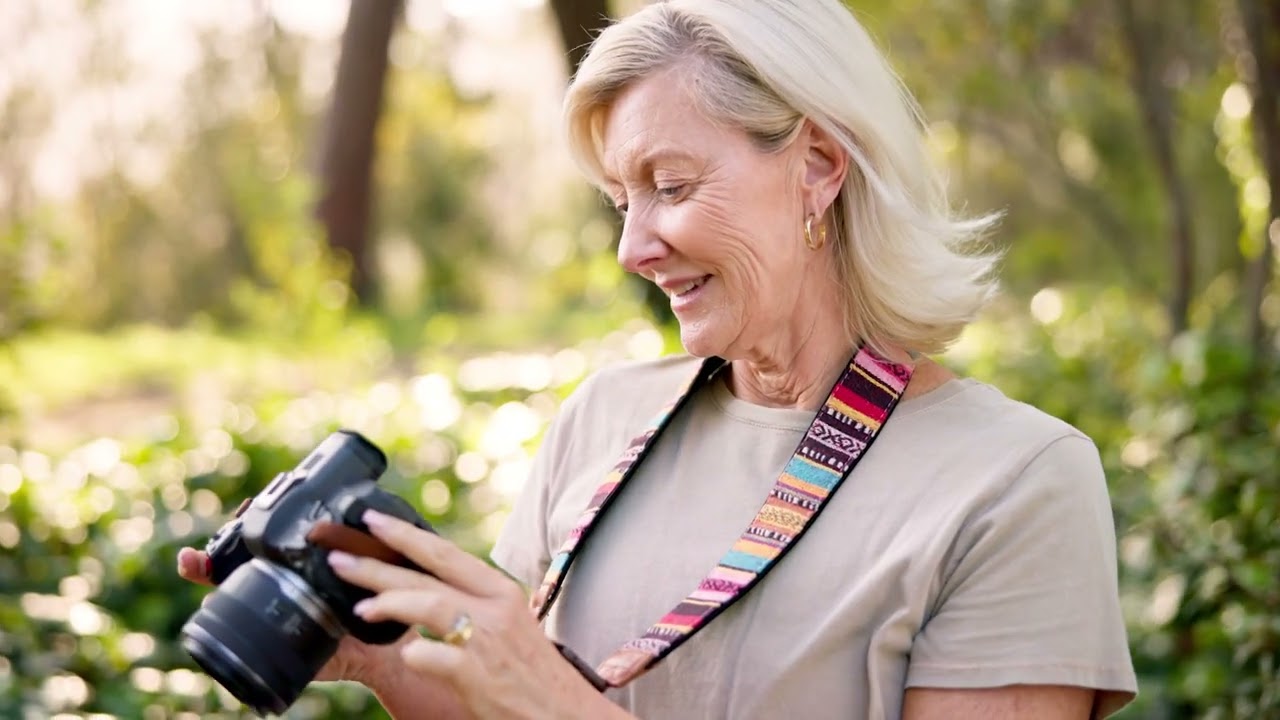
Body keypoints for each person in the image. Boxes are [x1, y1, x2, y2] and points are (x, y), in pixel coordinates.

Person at [179, 0, 1139, 717]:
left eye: (670, 186)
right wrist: (376, 656)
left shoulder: (1016, 483)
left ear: (817, 167)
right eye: (619, 202)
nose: (633, 248)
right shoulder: (606, 416)